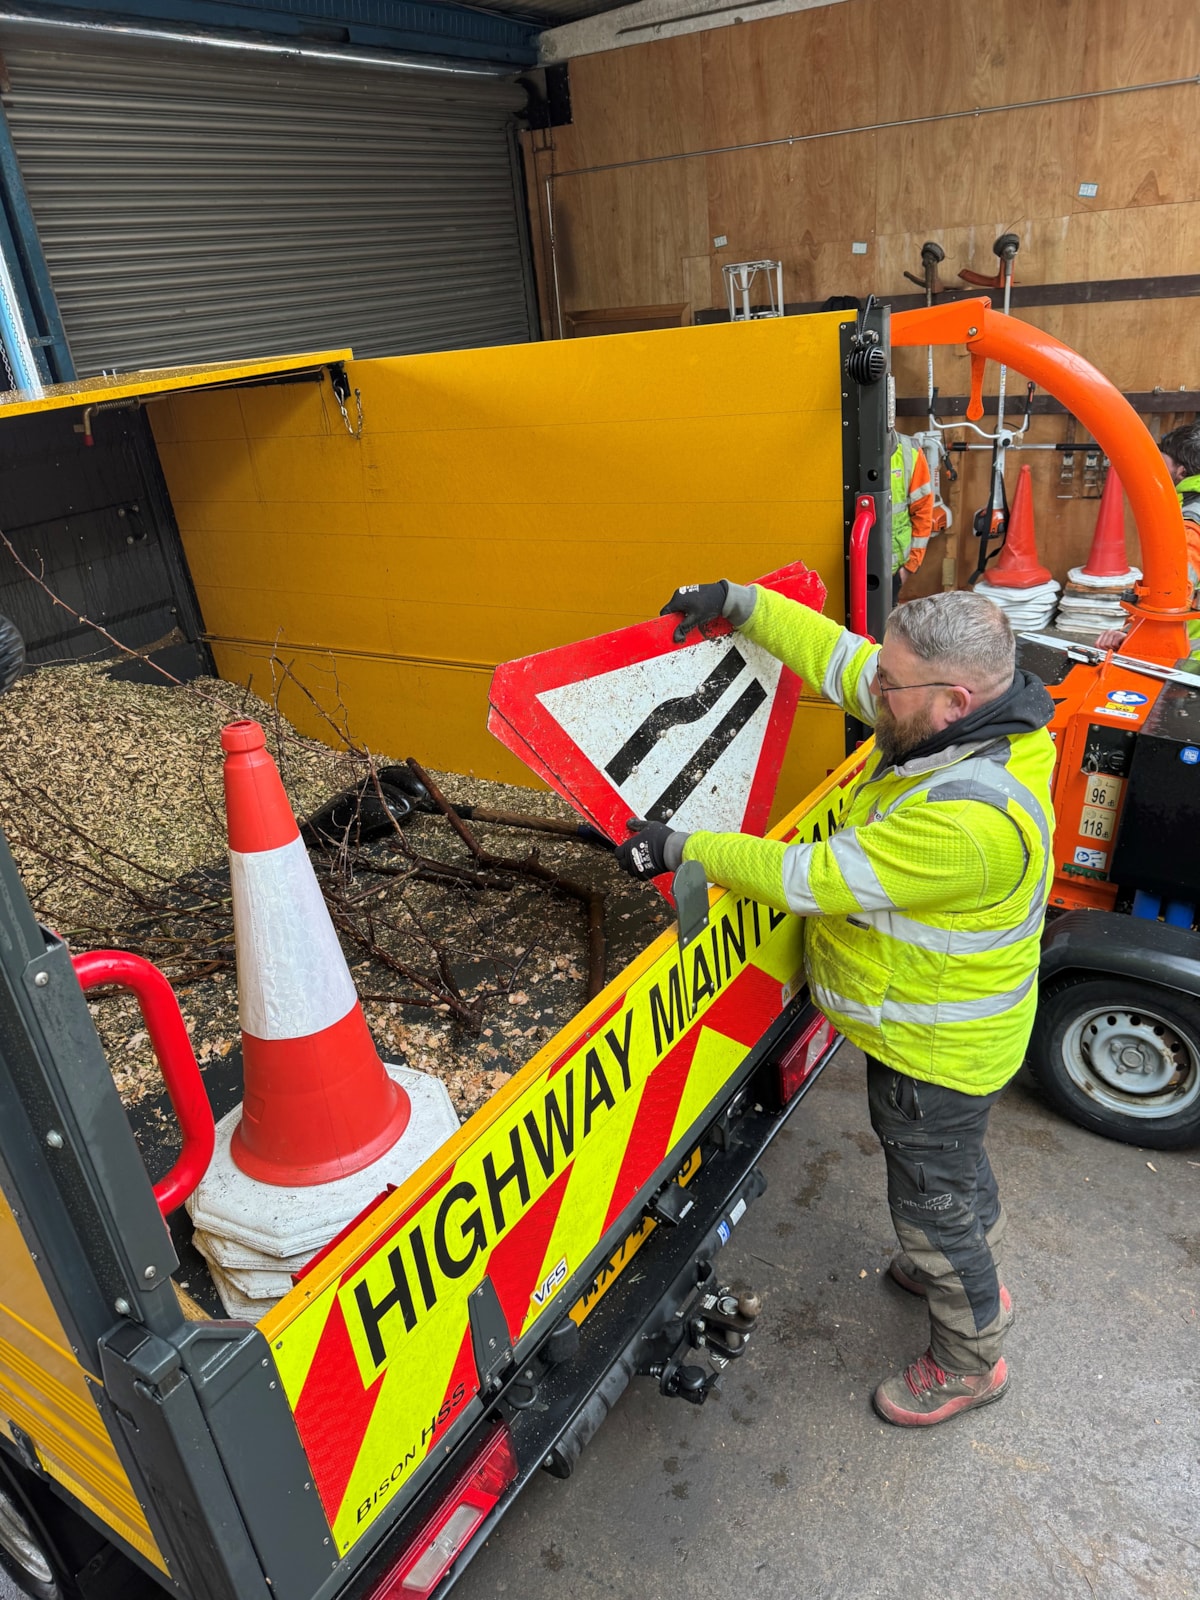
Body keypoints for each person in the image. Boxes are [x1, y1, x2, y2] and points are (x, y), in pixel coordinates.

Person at [615, 581, 1056, 1427]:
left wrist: (681, 847)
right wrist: (741, 604)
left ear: (952, 699)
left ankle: (970, 1360)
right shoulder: (961, 717)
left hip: (937, 1053)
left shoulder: (972, 820)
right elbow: (837, 655)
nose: (871, 689)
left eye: (889, 686)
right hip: (946, 1038)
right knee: (951, 1176)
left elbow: (809, 878)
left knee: (930, 1204)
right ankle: (971, 1271)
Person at [1095, 423, 1200, 655]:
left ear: (1182, 472)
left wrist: (1131, 633)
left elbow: (1172, 594)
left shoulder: (1190, 525)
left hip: (1187, 657)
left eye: (1162, 465)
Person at [890, 430, 934, 600]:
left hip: (892, 571)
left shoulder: (910, 451)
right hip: (844, 566)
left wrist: (910, 566)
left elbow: (923, 511)